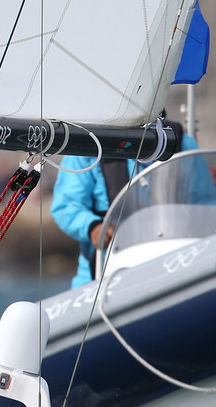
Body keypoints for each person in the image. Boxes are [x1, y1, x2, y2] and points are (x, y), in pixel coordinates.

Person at [51, 123, 195, 287]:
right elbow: (66, 206)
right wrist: (93, 228)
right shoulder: (87, 144)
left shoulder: (181, 142)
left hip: (173, 264)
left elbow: (205, 200)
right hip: (104, 275)